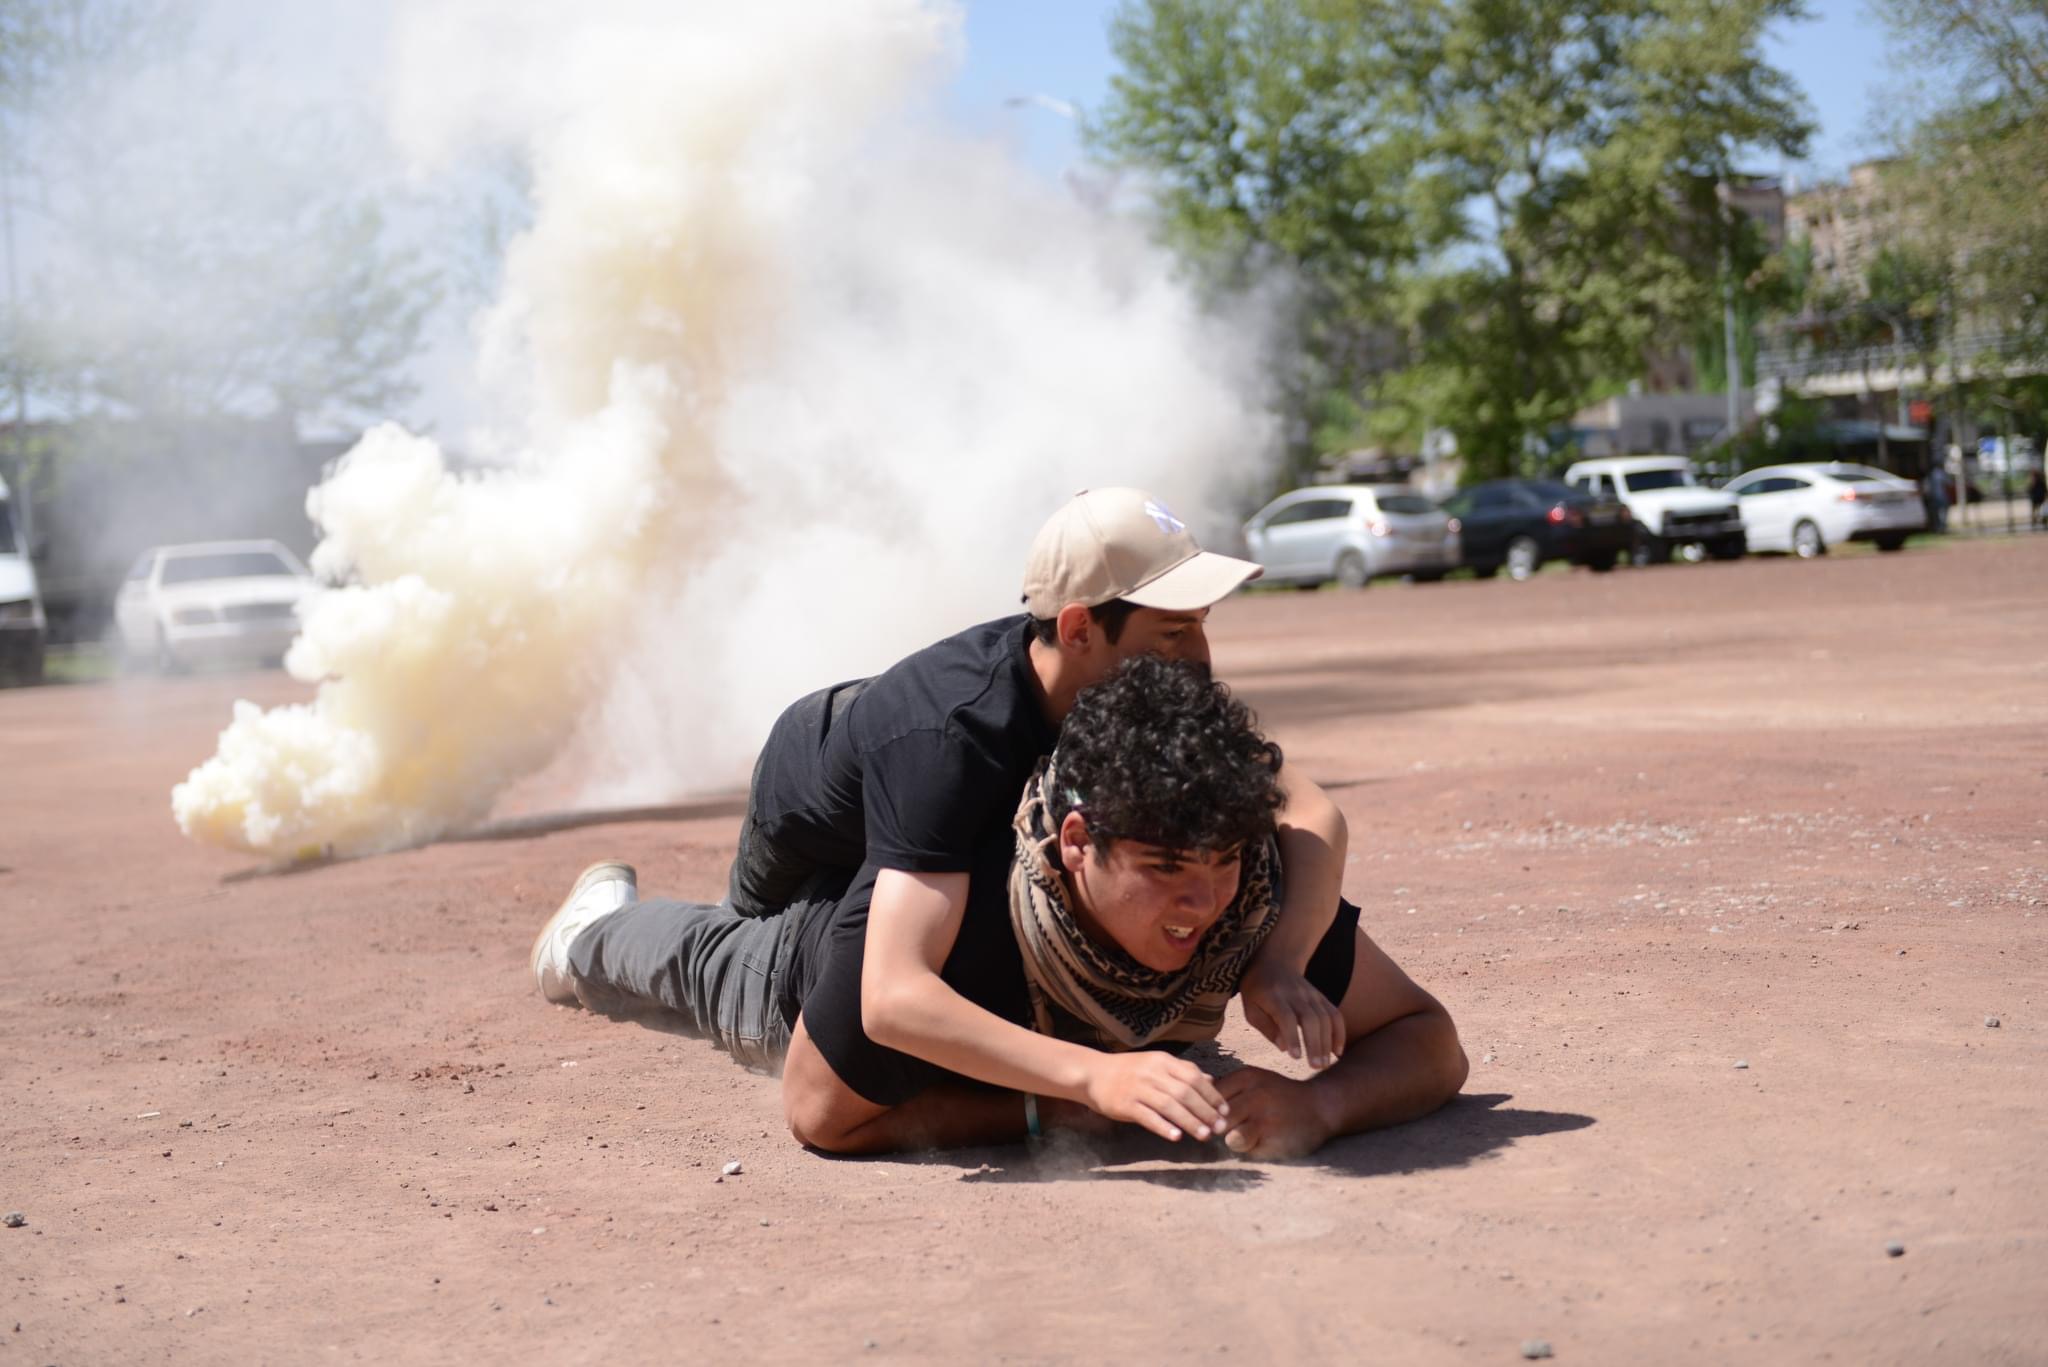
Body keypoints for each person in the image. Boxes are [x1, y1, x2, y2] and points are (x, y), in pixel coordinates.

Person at [533, 656, 1467, 1159]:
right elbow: (821, 1112)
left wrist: (1326, 1104)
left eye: (1223, 861)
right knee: (706, 954)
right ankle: (587, 929)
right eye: (1165, 867)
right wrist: (1072, 1099)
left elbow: (1433, 1038)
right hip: (810, 961)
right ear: (1074, 844)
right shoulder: (975, 916)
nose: (1202, 900)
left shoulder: (1248, 899)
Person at [605, 486, 1354, 1070]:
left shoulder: (1153, 702)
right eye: (1173, 631)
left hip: (909, 817)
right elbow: (895, 996)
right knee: (744, 953)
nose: (1200, 656)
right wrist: (1094, 1080)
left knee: (865, 928)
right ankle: (593, 931)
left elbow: (1314, 815)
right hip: (811, 808)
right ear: (1078, 628)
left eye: (1202, 623)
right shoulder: (952, 736)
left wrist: (1282, 963)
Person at [2028, 465, 2045, 529]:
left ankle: (2038, 522)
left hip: (2038, 498)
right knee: (2037, 511)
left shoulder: (2037, 482)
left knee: (2040, 511)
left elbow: (2044, 490)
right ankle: (2035, 522)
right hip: (2037, 498)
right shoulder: (2034, 482)